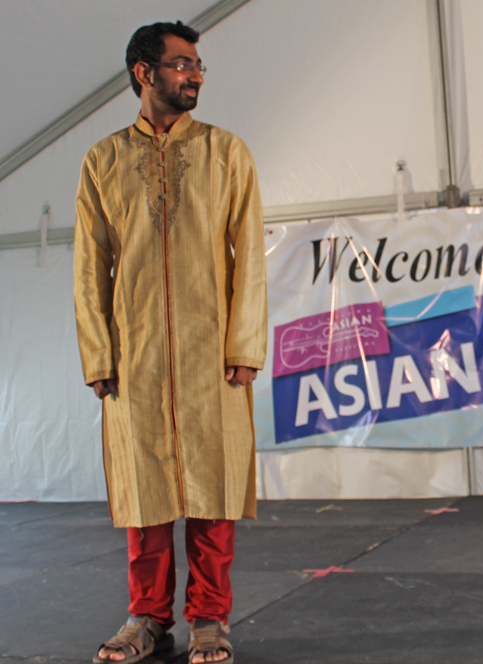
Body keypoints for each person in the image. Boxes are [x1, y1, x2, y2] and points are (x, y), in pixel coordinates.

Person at [73, 20, 267, 664]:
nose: (197, 75)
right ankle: (146, 618)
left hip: (213, 356)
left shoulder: (226, 151)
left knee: (212, 496)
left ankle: (209, 621)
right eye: (183, 64)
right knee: (145, 497)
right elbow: (88, 265)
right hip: (136, 360)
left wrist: (244, 345)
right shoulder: (102, 160)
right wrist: (98, 354)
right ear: (144, 72)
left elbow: (250, 259)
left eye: (199, 65)